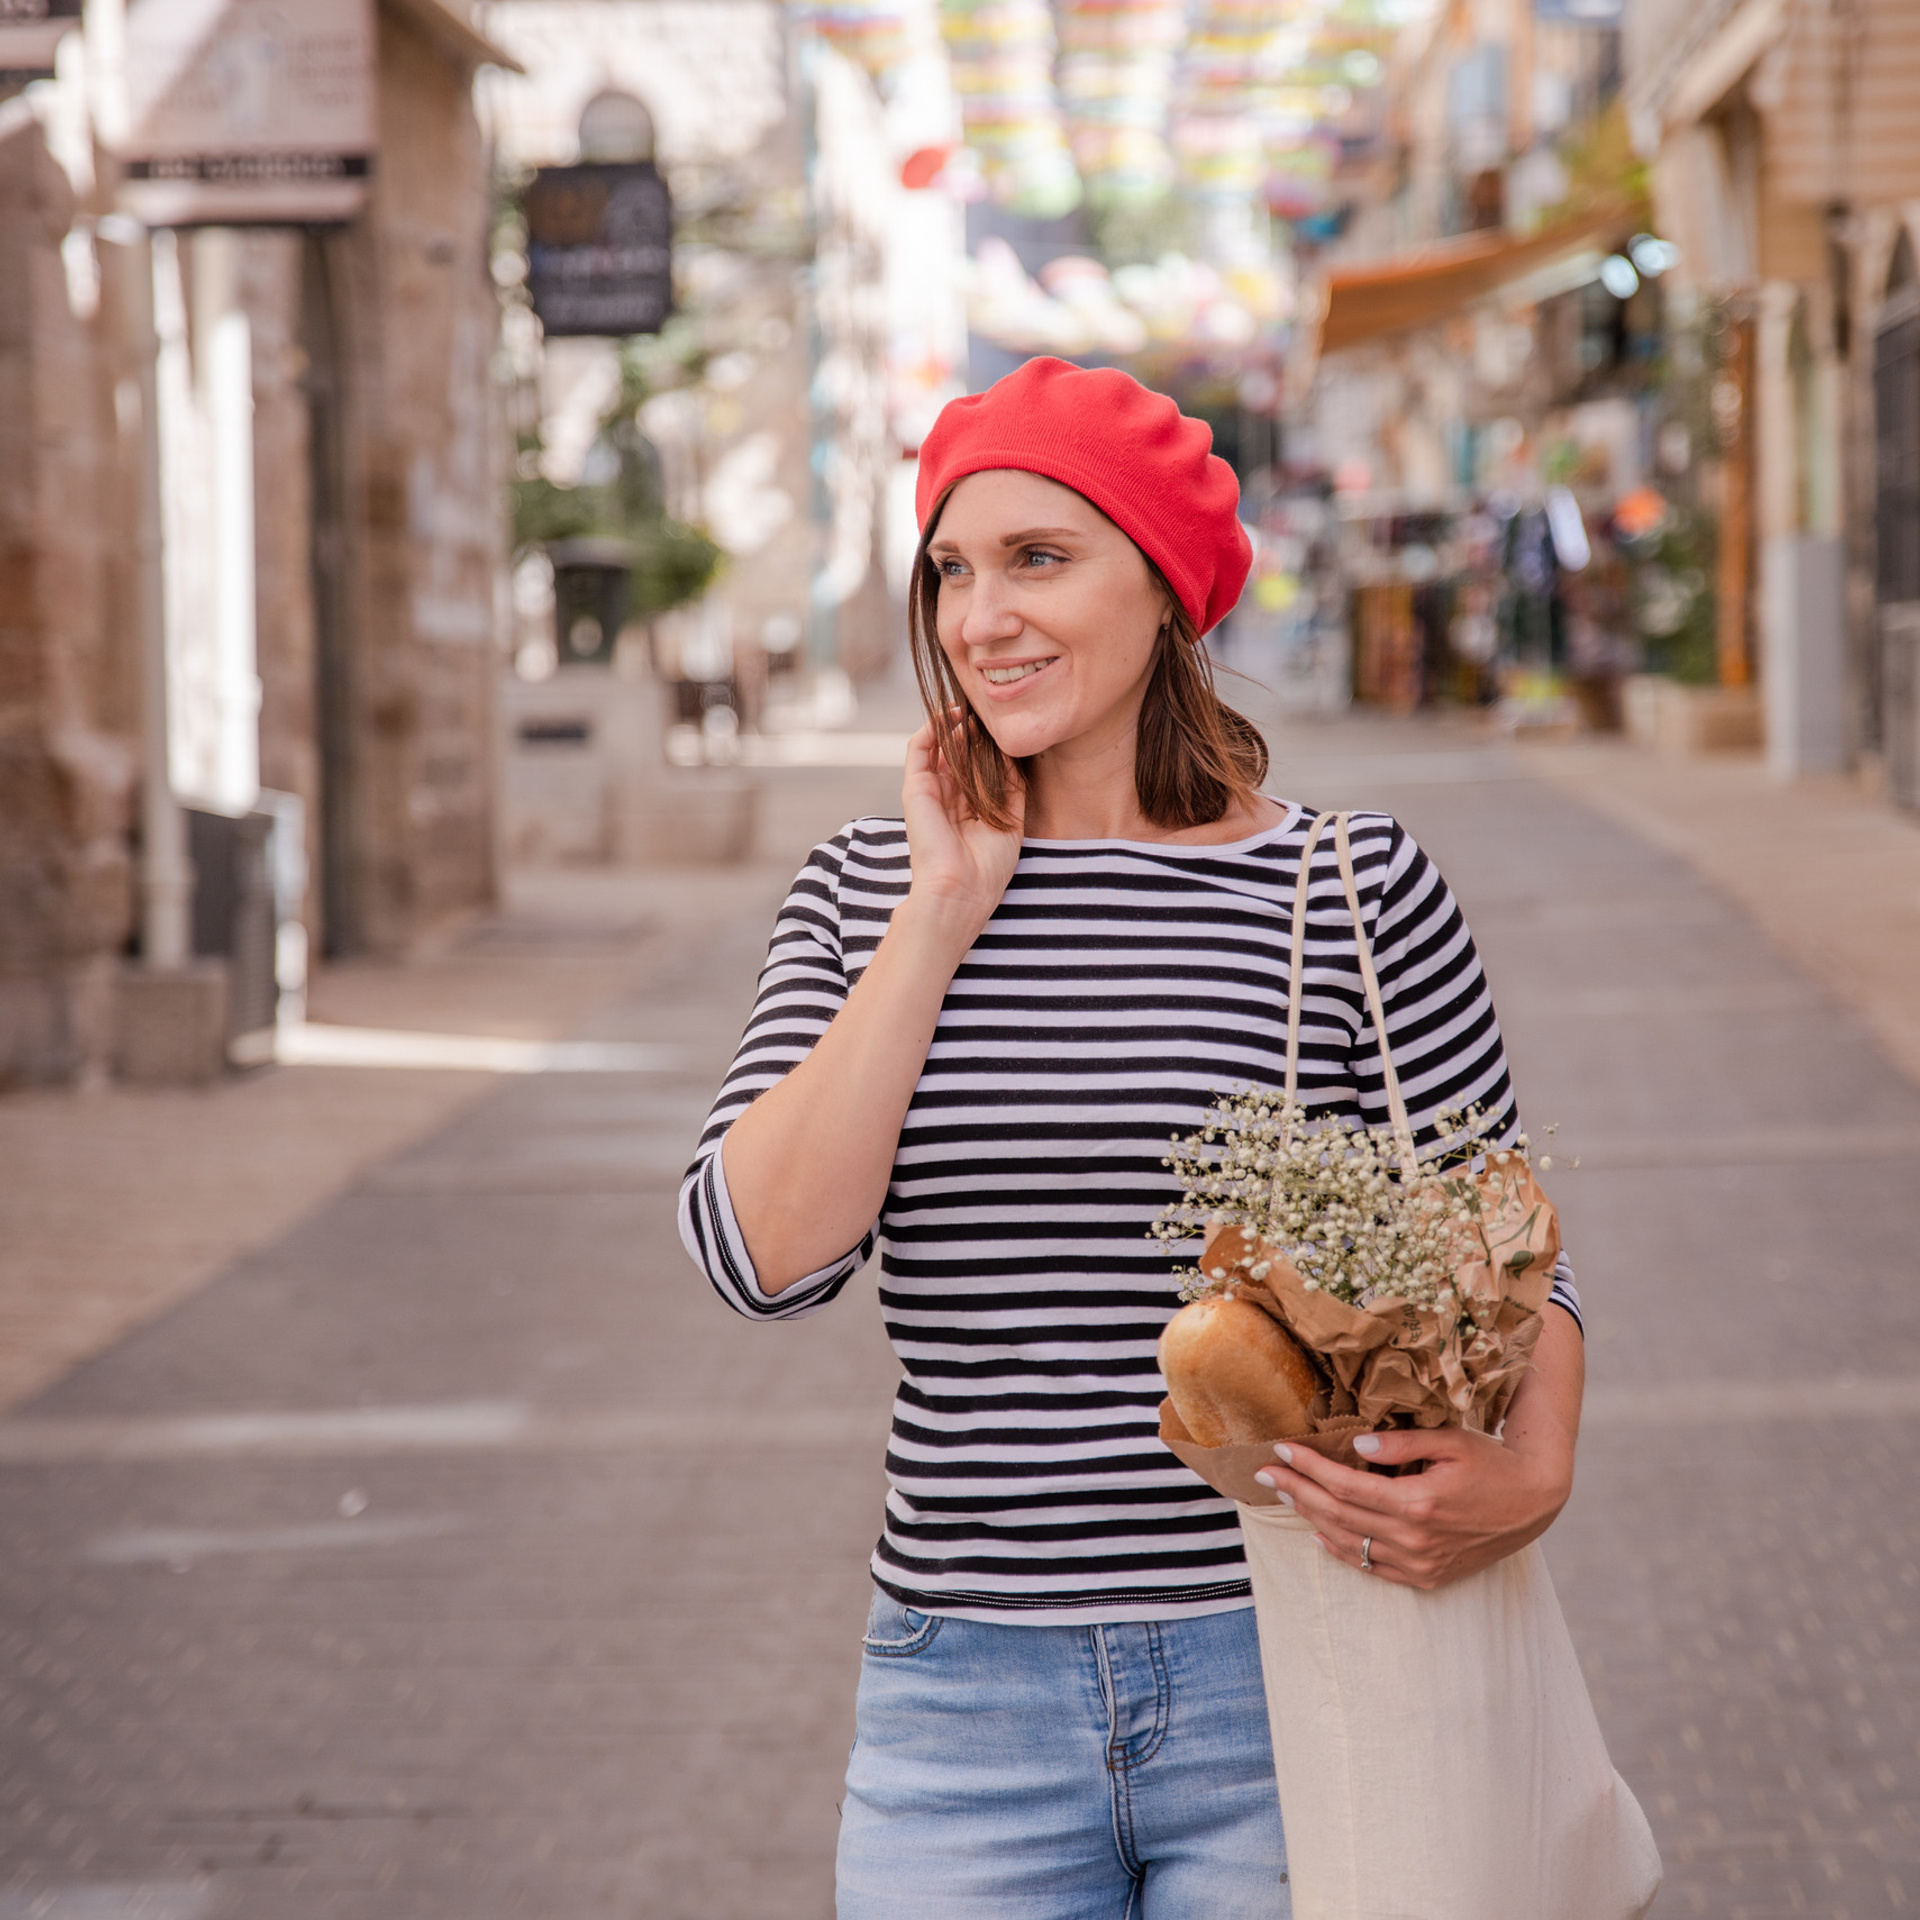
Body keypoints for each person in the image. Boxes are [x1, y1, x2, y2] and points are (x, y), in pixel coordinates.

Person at [679, 356, 1587, 1918]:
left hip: (1298, 1659)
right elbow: (758, 1257)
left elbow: (1502, 1249)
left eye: (1042, 558)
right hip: (959, 1697)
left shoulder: (1352, 895)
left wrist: (1538, 1475)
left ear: (1166, 587)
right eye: (953, 570)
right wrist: (938, 921)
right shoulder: (861, 894)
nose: (981, 617)